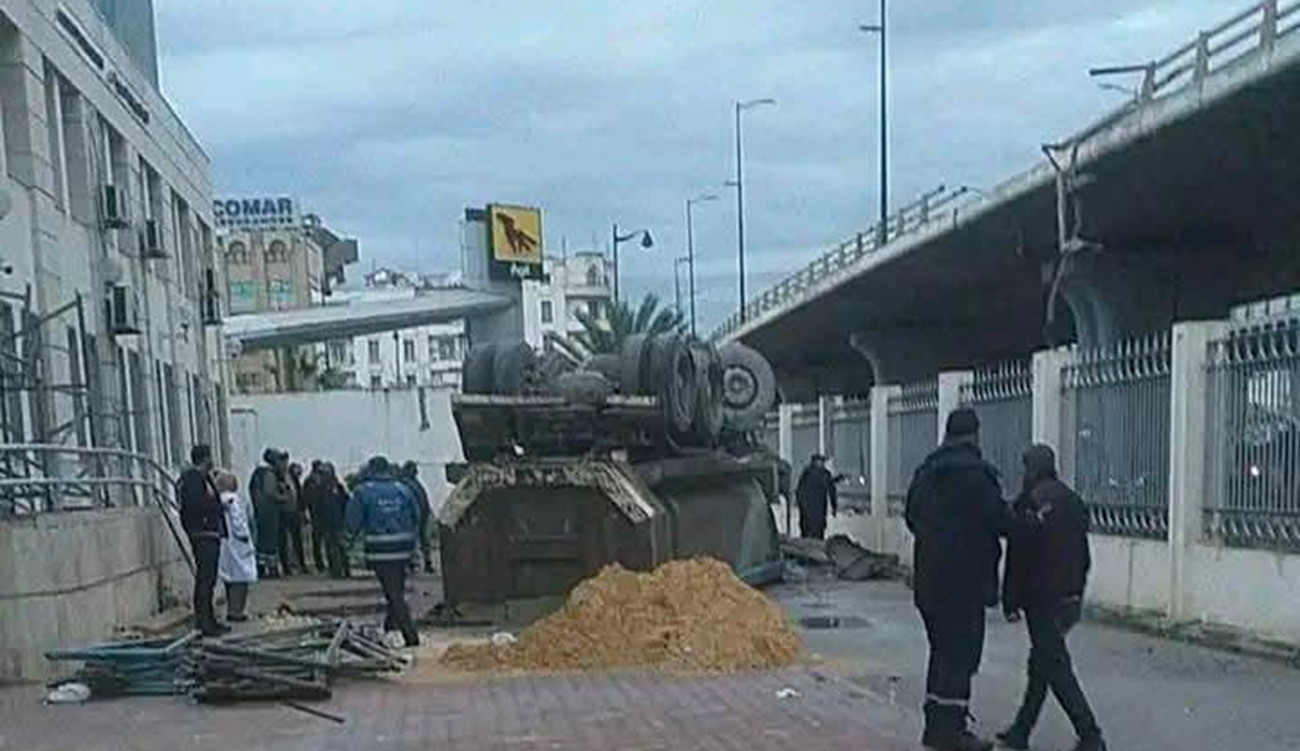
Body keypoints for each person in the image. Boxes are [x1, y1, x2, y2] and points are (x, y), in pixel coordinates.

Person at [904, 408, 1011, 751]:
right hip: (965, 585)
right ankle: (953, 732)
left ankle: (936, 727)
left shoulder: (926, 472)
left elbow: (911, 516)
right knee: (961, 658)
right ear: (974, 435)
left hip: (929, 583)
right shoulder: (977, 476)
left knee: (940, 654)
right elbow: (1000, 521)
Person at [997, 445, 1105, 751]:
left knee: (1055, 667)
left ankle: (1090, 735)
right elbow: (1083, 553)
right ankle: (1021, 730)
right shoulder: (1072, 500)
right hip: (1069, 595)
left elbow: (1019, 556)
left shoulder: (1030, 503)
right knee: (1042, 663)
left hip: (1041, 597)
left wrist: (1010, 600)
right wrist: (1078, 588)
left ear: (1031, 469)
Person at [347, 456, 421, 647]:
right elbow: (417, 515)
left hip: (380, 551)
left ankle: (411, 636)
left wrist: (348, 544)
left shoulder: (363, 491)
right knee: (395, 589)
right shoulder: (403, 489)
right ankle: (389, 627)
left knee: (394, 594)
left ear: (371, 470)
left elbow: (352, 523)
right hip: (404, 549)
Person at [178, 444, 228, 636]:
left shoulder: (205, 478)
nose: (212, 461)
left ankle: (210, 619)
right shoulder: (192, 479)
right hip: (202, 533)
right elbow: (196, 505)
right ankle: (203, 622)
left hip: (211, 533)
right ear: (204, 458)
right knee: (205, 579)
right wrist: (215, 507)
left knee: (210, 579)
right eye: (209, 457)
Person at [216, 470, 257, 623]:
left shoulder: (219, 500)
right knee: (241, 578)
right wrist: (246, 538)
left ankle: (231, 609)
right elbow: (238, 521)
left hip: (225, 543)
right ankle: (237, 611)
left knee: (230, 578)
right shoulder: (232, 499)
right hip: (238, 543)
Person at [304, 461, 351, 579]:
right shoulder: (337, 486)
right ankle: (344, 569)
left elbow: (316, 504)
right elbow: (345, 501)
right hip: (336, 520)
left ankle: (337, 571)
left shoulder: (321, 487)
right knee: (339, 546)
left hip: (329, 521)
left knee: (333, 547)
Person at [251, 449, 285, 578]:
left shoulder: (258, 473)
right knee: (270, 541)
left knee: (262, 541)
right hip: (269, 511)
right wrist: (283, 497)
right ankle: (271, 568)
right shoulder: (269, 473)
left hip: (260, 511)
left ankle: (261, 567)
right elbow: (270, 492)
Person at [398, 461, 435, 574]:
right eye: (413, 469)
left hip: (421, 514)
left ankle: (422, 562)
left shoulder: (412, 483)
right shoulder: (406, 483)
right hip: (414, 515)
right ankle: (415, 563)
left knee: (421, 540)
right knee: (417, 540)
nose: (415, 471)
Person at [794, 453, 837, 540]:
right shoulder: (824, 474)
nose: (821, 464)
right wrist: (834, 507)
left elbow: (799, 491)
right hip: (817, 510)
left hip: (809, 510)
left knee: (807, 535)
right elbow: (832, 491)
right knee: (817, 534)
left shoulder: (807, 473)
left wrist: (800, 504)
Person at [279, 460, 307, 575]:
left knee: (297, 540)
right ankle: (287, 566)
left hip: (295, 512)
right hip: (285, 512)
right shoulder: (280, 478)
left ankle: (301, 564)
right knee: (284, 541)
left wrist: (302, 511)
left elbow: (300, 497)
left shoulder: (295, 481)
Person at [302, 460, 327, 573]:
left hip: (320, 512)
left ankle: (321, 563)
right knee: (317, 540)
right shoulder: (310, 481)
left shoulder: (318, 480)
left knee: (320, 540)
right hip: (316, 513)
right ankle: (319, 564)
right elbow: (306, 498)